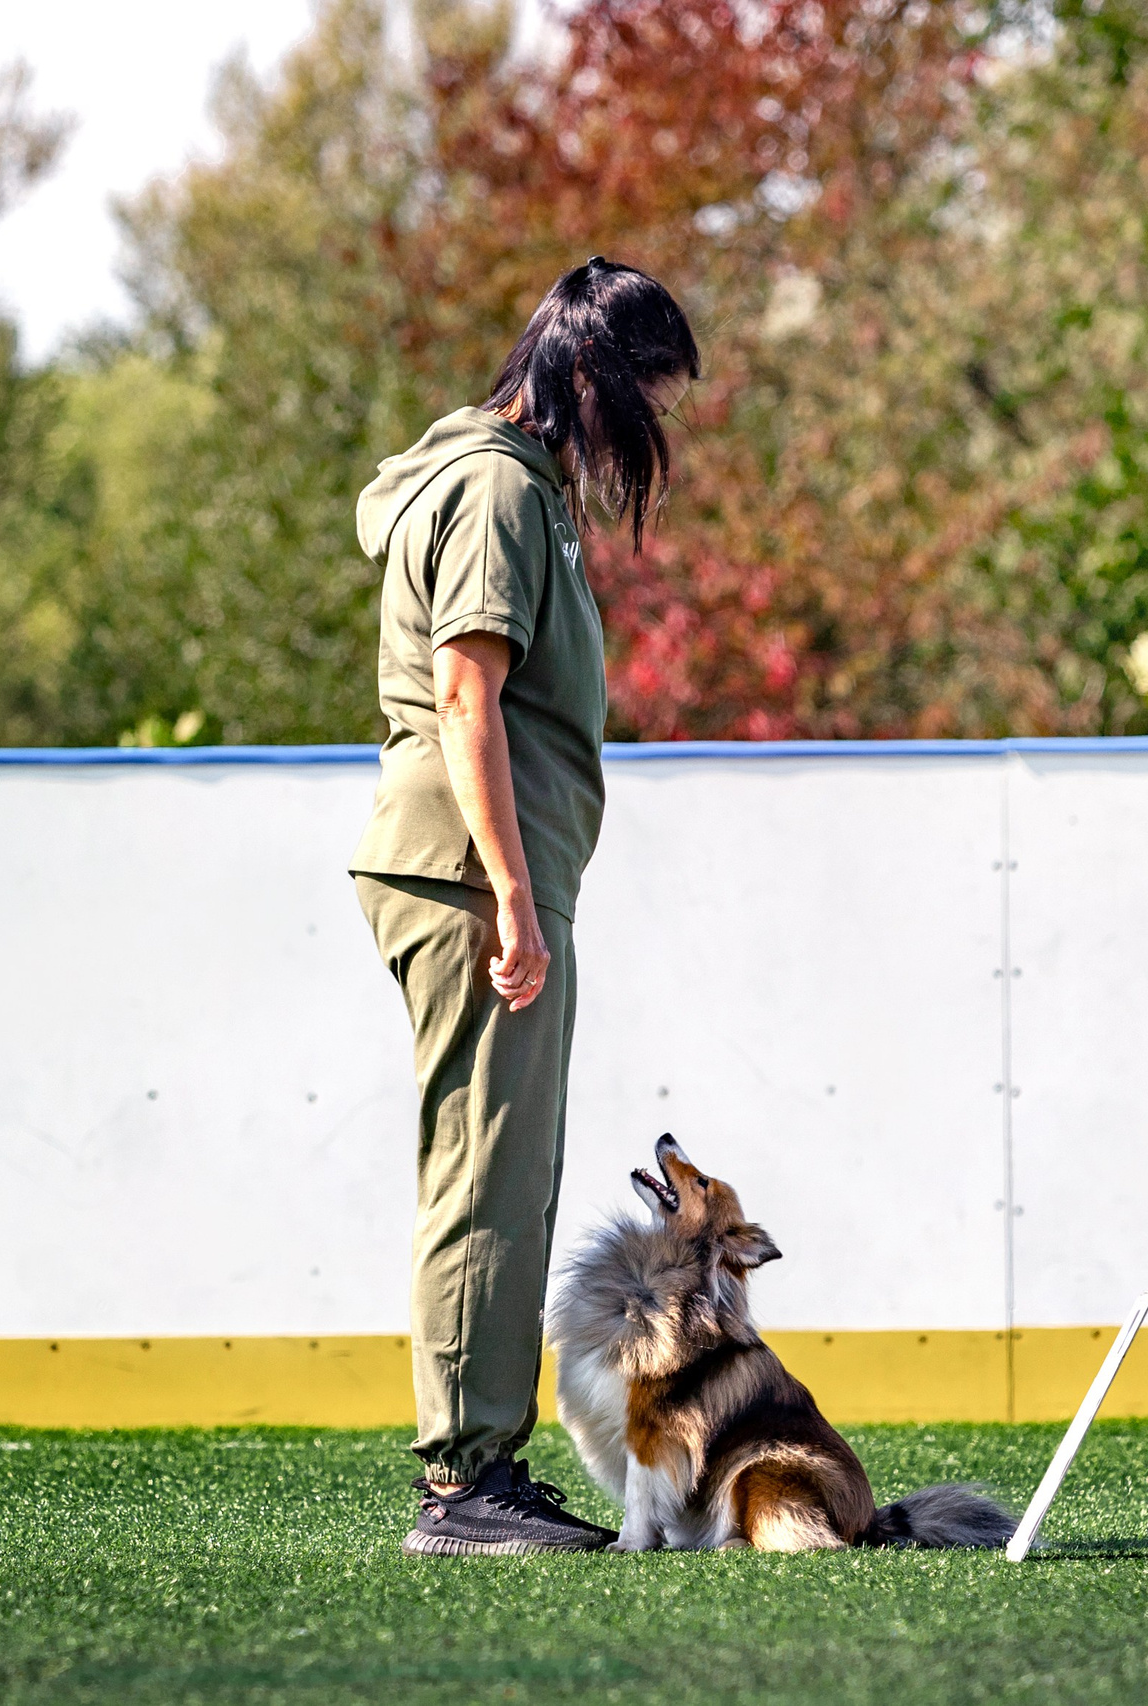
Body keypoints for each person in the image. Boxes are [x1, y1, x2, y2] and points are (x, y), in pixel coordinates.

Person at [349, 258, 699, 1555]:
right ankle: (465, 1483)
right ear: (596, 380)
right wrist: (509, 891)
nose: (650, 432)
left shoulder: (524, 488)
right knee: (485, 1167)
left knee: (506, 1162)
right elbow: (464, 697)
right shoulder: (499, 489)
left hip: (488, 871)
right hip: (467, 874)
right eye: (648, 397)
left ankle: (482, 1460)